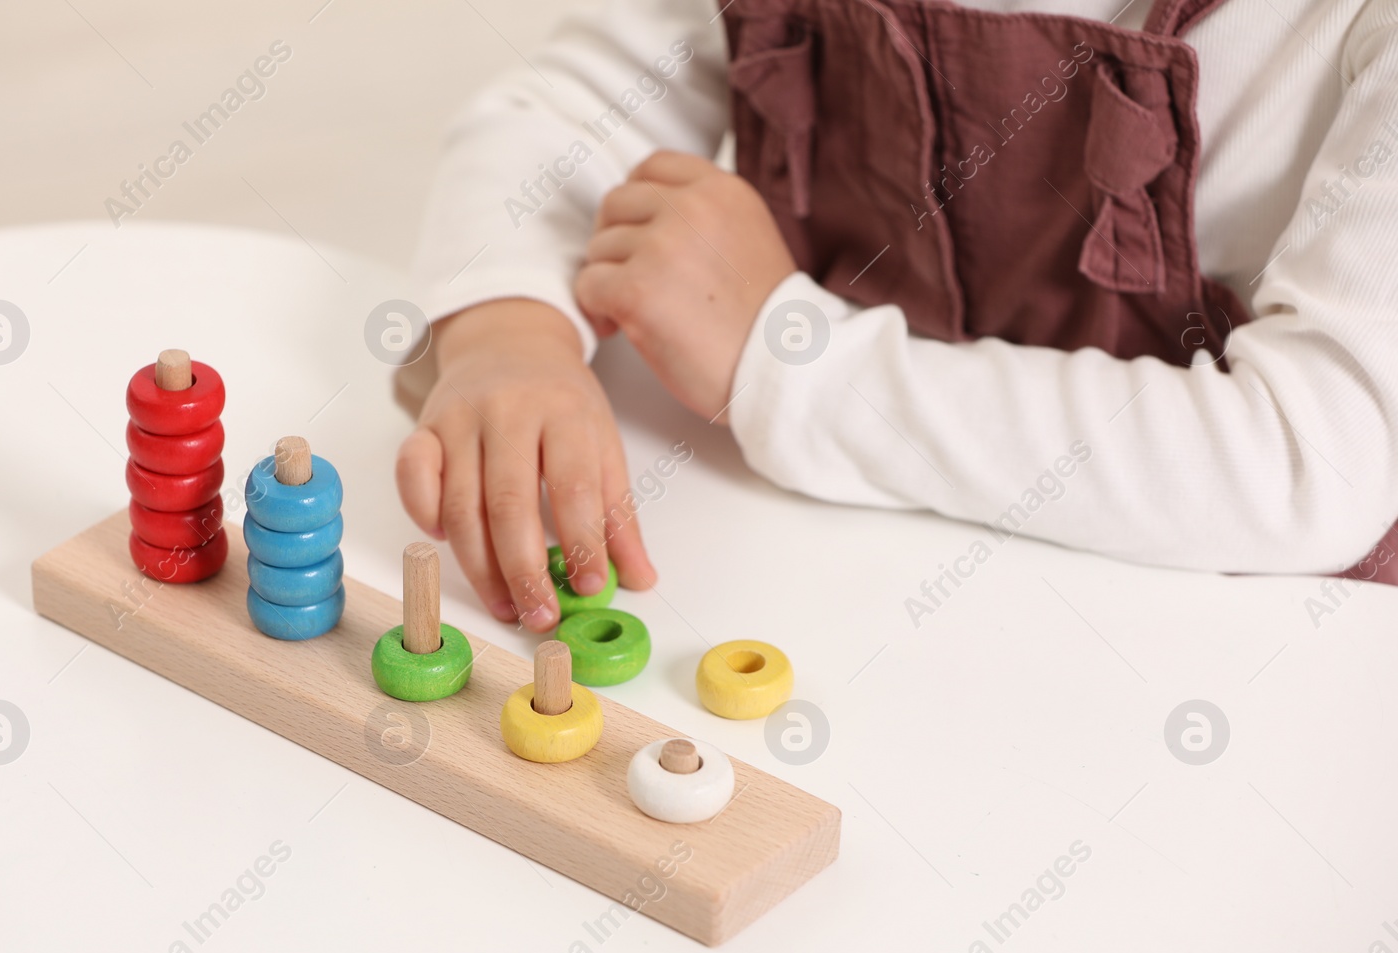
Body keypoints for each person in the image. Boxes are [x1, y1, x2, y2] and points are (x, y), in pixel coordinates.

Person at [397, 0, 1398, 632]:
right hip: (851, 587)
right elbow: (568, 109)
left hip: (1220, 645)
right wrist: (506, 332)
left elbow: (1316, 459)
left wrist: (786, 358)